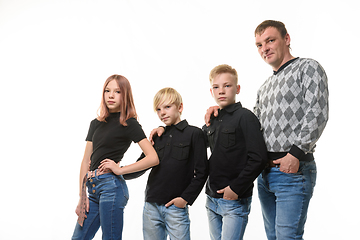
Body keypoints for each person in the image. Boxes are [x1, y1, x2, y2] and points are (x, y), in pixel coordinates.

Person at [205, 20, 329, 240]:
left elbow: (317, 112)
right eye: (259, 45)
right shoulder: (265, 87)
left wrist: (296, 153)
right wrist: (221, 112)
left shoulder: (307, 68)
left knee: (286, 237)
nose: (265, 48)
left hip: (292, 171)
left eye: (270, 40)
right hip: (265, 175)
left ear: (287, 39)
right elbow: (251, 128)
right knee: (272, 236)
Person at [71, 74, 159, 240]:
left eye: (117, 91)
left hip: (112, 188)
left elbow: (153, 158)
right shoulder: (95, 123)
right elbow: (85, 160)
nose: (110, 95)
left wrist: (120, 170)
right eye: (107, 90)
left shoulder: (129, 123)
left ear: (125, 95)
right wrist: (82, 196)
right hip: (92, 189)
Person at [202, 64, 268, 240]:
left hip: (234, 200)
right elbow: (195, 143)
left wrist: (236, 188)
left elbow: (259, 158)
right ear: (211, 92)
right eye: (216, 87)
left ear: (237, 88)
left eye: (227, 86)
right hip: (211, 199)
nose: (221, 91)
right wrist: (164, 130)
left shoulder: (246, 117)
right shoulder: (213, 119)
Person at [134, 87, 209, 240]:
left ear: (180, 107)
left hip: (175, 207)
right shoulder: (158, 136)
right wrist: (117, 170)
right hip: (151, 206)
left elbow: (202, 172)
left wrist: (185, 199)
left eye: (167, 107)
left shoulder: (194, 134)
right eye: (158, 109)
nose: (162, 112)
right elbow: (141, 165)